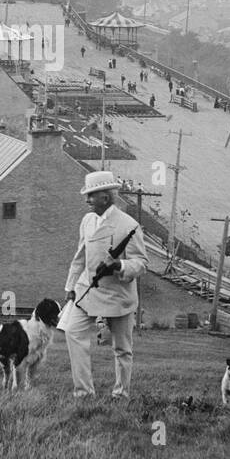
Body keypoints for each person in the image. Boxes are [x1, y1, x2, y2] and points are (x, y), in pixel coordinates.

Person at [62, 170, 149, 398]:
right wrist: (70, 287)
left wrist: (119, 265)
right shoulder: (87, 221)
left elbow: (141, 264)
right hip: (87, 291)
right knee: (73, 332)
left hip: (118, 296)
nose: (87, 200)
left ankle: (120, 394)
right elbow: (80, 256)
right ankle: (83, 392)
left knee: (122, 349)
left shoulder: (129, 225)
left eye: (91, 195)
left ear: (106, 197)